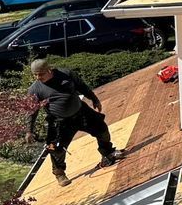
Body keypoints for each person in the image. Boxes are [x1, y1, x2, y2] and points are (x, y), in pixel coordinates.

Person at [28, 58, 119, 186]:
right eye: (35, 74)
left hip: (81, 113)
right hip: (59, 122)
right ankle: (59, 173)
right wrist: (29, 131)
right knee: (55, 148)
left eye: (41, 74)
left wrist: (94, 99)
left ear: (49, 70)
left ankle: (108, 153)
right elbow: (32, 111)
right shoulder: (35, 90)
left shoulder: (66, 74)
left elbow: (82, 86)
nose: (38, 77)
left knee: (102, 129)